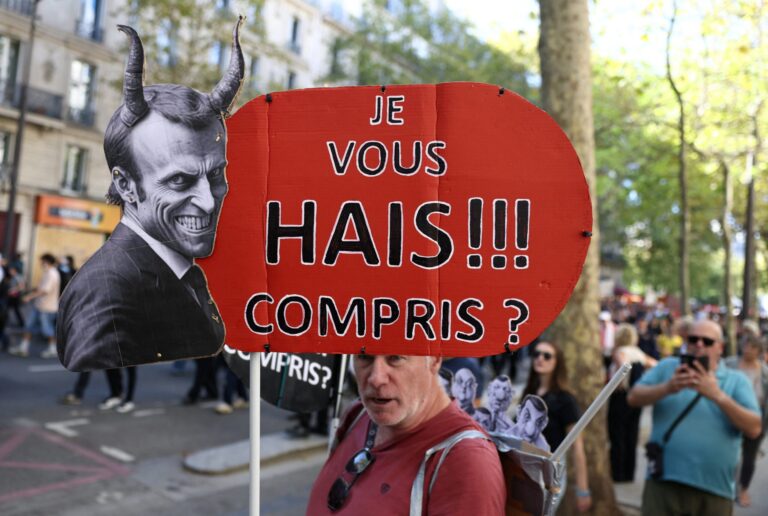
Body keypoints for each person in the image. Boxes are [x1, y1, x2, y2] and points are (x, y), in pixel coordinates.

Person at [57, 20, 245, 371]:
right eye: (179, 181)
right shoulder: (108, 295)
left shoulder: (180, 269)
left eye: (216, 174)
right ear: (126, 185)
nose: (208, 200)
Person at [306, 354, 505, 514]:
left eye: (395, 358)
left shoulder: (466, 460)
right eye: (364, 356)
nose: (376, 378)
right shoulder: (357, 414)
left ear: (434, 359)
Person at [627, 319, 761, 516]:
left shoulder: (736, 380)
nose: (699, 344)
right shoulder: (667, 367)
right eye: (693, 339)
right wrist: (667, 388)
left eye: (707, 341)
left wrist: (718, 395)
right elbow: (633, 398)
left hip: (714, 491)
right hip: (662, 484)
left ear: (720, 348)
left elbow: (754, 428)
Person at [521, 341, 592, 512]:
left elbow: (577, 448)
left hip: (549, 474)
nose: (540, 359)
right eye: (536, 354)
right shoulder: (529, 392)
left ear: (557, 362)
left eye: (547, 356)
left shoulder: (566, 400)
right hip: (523, 471)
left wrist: (583, 490)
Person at [608, 323, 657, 482]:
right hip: (636, 399)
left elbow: (623, 364)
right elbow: (655, 364)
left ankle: (618, 473)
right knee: (631, 434)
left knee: (617, 435)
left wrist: (620, 382)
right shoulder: (639, 353)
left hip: (620, 396)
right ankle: (629, 473)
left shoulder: (619, 352)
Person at [724, 335, 768, 507]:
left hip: (756, 419)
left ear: (759, 350)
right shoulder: (730, 364)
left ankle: (743, 490)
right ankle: (726, 486)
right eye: (746, 345)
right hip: (729, 416)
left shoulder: (764, 372)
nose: (748, 349)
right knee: (728, 454)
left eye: (753, 347)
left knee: (749, 456)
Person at [9, 254, 60, 359]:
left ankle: (52, 349)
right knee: (29, 326)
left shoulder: (52, 274)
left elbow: (45, 291)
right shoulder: (48, 273)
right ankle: (23, 348)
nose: (41, 263)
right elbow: (41, 287)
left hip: (47, 307)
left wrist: (29, 297)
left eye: (42, 261)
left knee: (47, 329)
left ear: (46, 261)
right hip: (39, 305)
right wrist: (31, 290)